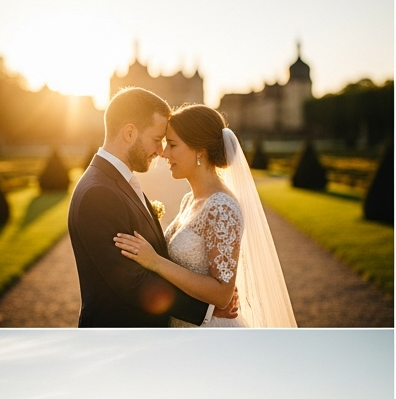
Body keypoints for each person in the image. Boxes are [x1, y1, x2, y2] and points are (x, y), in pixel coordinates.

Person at [68, 87, 240, 327]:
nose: (161, 152)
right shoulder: (99, 192)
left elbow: (157, 258)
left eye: (169, 143)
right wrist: (206, 309)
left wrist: (211, 291)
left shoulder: (116, 182)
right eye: (158, 140)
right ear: (129, 132)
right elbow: (131, 280)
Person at [113, 104, 296, 327]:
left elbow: (222, 295)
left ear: (199, 149)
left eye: (172, 145)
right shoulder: (189, 200)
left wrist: (155, 262)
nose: (164, 153)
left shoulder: (222, 207)